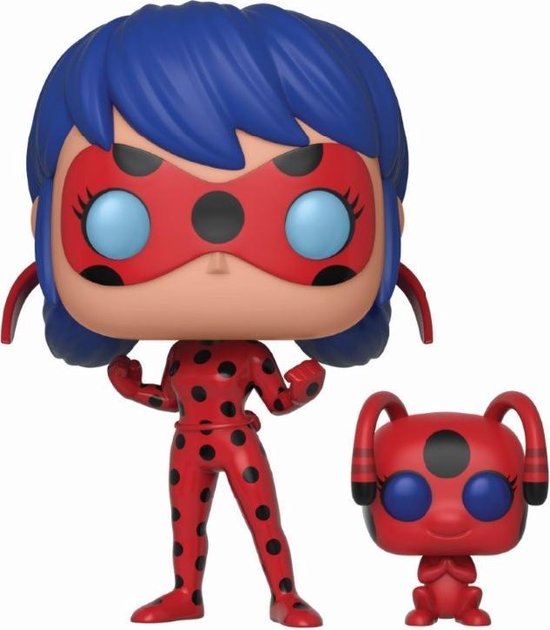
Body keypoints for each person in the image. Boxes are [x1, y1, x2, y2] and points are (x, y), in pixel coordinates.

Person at [2, 2, 431, 626]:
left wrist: (301, 388)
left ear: (391, 224)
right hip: (189, 443)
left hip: (237, 439)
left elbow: (275, 400)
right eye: (121, 217)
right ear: (43, 224)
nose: (218, 260)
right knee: (186, 520)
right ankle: (187, 591)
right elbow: (171, 396)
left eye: (313, 216)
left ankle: (285, 593)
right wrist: (136, 388)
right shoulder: (187, 358)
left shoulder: (250, 358)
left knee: (264, 519)